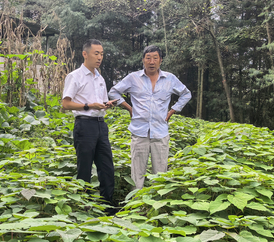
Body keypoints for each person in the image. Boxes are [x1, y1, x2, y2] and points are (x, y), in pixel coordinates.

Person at [108, 45, 191, 190]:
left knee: (160, 173)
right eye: (148, 58)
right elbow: (113, 92)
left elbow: (186, 94)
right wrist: (129, 108)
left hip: (160, 132)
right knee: (137, 173)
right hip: (139, 131)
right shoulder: (133, 78)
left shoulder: (170, 79)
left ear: (161, 60)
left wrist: (173, 110)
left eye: (155, 58)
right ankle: (135, 206)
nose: (151, 62)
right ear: (143, 60)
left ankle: (155, 206)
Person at [61, 39, 118, 207]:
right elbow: (65, 104)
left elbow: (100, 102)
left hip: (101, 125)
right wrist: (88, 106)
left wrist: (107, 104)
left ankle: (107, 206)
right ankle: (82, 206)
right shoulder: (75, 76)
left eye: (101, 54)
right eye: (96, 53)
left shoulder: (100, 78)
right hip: (84, 125)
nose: (100, 57)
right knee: (84, 168)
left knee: (107, 167)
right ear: (85, 54)